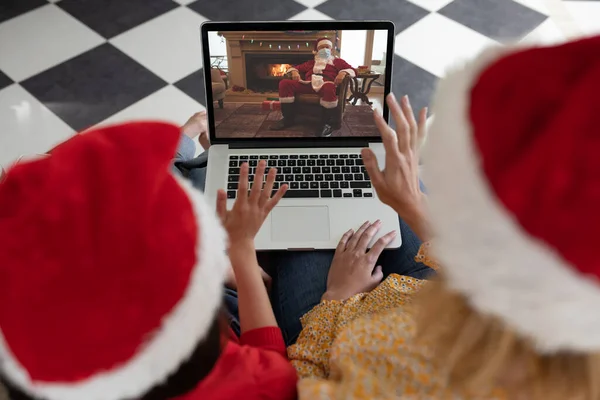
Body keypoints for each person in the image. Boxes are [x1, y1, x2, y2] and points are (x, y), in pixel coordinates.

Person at [285, 35, 600, 399]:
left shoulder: (379, 353)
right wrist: (414, 204)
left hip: (342, 319)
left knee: (299, 235)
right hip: (429, 286)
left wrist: (336, 299)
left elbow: (301, 386)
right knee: (394, 184)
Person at [0, 121, 297, 400]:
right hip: (234, 316)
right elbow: (276, 372)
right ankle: (198, 146)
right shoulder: (234, 379)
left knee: (187, 174)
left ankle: (196, 140)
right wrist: (241, 252)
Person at [270, 37, 356, 137]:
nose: (325, 50)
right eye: (322, 47)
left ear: (331, 50)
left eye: (327, 47)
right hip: (308, 84)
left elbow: (352, 70)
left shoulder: (337, 62)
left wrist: (343, 73)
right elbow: (294, 68)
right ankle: (288, 119)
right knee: (284, 83)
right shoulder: (311, 63)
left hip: (325, 85)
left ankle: (326, 124)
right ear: (317, 50)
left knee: (329, 87)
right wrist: (294, 71)